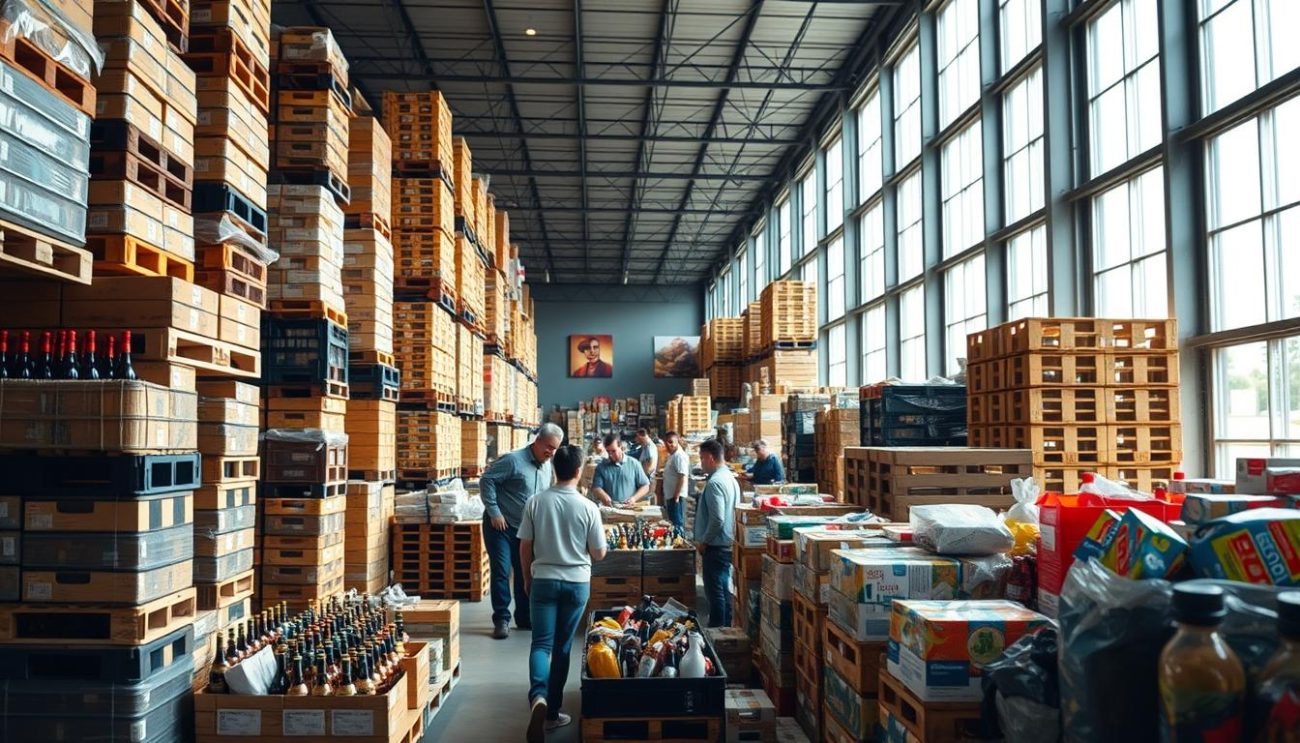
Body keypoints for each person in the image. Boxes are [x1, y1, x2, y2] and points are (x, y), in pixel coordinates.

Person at [518, 445, 606, 742]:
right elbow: (598, 552)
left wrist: (527, 578)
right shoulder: (588, 507)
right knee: (563, 647)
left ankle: (538, 698)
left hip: (543, 579)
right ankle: (553, 712)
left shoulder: (535, 502)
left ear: (554, 468)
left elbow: (525, 545)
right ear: (579, 471)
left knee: (541, 645)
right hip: (576, 582)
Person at [479, 422, 563, 639]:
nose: (551, 453)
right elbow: (487, 480)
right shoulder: (512, 461)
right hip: (501, 526)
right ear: (538, 440)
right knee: (502, 571)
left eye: (555, 449)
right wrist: (494, 511)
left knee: (525, 572)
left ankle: (524, 617)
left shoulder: (546, 466)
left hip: (525, 530)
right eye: (549, 447)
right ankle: (501, 620)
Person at [694, 438, 739, 628]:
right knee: (724, 589)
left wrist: (704, 541)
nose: (701, 463)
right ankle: (725, 628)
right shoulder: (730, 479)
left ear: (710, 458)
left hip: (716, 547)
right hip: (727, 544)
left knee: (716, 592)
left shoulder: (715, 483)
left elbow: (718, 519)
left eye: (702, 458)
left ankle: (717, 632)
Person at [590, 433, 649, 506]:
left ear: (620, 447)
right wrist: (603, 495)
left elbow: (645, 486)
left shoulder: (634, 464)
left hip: (629, 509)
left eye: (613, 451)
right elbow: (596, 487)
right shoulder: (601, 467)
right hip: (609, 509)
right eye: (608, 451)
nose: (610, 455)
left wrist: (634, 498)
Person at [661, 431, 689, 531]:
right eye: (666, 442)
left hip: (676, 498)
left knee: (677, 525)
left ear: (677, 442)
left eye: (671, 442)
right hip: (671, 496)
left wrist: (676, 497)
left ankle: (680, 544)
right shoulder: (673, 455)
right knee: (672, 524)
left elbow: (682, 476)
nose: (668, 445)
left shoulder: (679, 456)